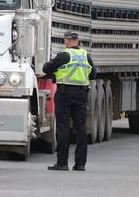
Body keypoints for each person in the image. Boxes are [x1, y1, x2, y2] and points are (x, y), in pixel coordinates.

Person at [43, 31, 95, 172]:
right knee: (81, 128)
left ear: (66, 41)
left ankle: (62, 163)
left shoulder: (64, 55)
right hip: (81, 94)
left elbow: (46, 68)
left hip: (64, 94)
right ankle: (80, 164)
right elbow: (93, 74)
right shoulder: (86, 56)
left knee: (63, 127)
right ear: (77, 41)